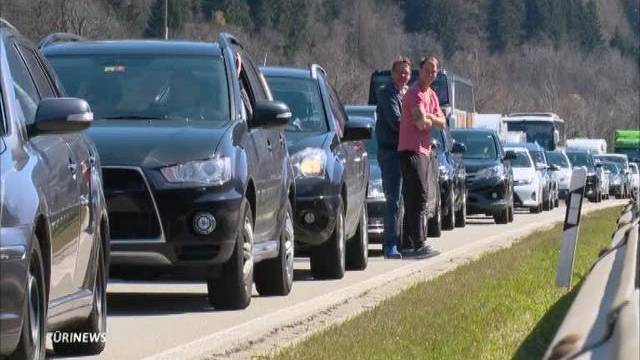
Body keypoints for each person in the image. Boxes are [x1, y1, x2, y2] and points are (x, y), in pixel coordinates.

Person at [397, 56, 446, 257]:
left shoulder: (431, 95)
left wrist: (430, 118)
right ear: (420, 70)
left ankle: (408, 243)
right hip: (410, 150)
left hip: (424, 151)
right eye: (427, 70)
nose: (430, 74)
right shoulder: (414, 93)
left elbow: (442, 122)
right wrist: (430, 120)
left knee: (416, 196)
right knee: (418, 196)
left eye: (434, 71)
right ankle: (418, 243)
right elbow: (420, 124)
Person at [375, 57, 412, 259]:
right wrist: (418, 126)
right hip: (390, 153)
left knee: (405, 200)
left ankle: (402, 241)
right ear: (392, 73)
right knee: (393, 200)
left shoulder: (406, 93)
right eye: (399, 72)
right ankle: (389, 244)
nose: (403, 76)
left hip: (405, 151)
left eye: (406, 72)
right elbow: (397, 122)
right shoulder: (386, 93)